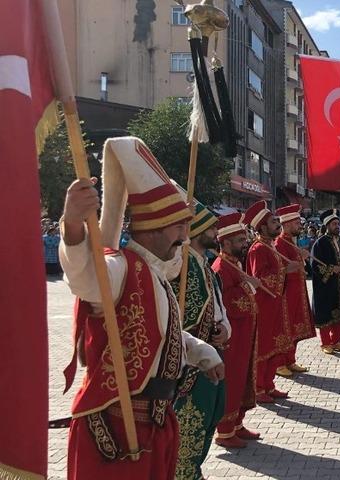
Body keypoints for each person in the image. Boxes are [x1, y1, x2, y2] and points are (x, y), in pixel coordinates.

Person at [59, 137, 223, 479]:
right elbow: (87, 279)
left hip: (155, 422)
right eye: (179, 227)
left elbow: (163, 334)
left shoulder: (155, 273)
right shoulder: (121, 267)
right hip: (119, 427)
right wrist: (73, 225)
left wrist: (202, 351)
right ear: (153, 228)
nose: (185, 237)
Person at [168, 202, 231, 479]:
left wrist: (224, 328)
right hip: (191, 364)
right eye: (211, 227)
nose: (216, 231)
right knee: (190, 420)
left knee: (208, 419)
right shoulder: (180, 264)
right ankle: (184, 473)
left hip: (212, 352)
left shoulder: (205, 263)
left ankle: (192, 470)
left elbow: (218, 305)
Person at [212, 213, 261, 449]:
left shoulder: (236, 264)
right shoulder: (221, 267)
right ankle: (224, 431)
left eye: (244, 239)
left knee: (243, 379)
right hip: (232, 338)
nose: (245, 244)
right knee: (232, 381)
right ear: (226, 242)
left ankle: (238, 423)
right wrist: (246, 289)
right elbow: (225, 302)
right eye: (240, 241)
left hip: (245, 334)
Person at [245, 200, 297, 403]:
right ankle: (258, 389)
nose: (278, 224)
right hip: (263, 306)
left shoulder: (270, 245)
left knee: (274, 346)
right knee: (264, 347)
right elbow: (260, 278)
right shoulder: (258, 249)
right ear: (262, 227)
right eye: (274, 222)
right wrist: (286, 270)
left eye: (278, 221)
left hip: (275, 304)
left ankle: (269, 385)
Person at [273, 205, 317, 378]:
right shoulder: (279, 243)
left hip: (297, 291)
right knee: (285, 327)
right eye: (297, 222)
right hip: (286, 293)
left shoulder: (291, 241)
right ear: (288, 223)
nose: (300, 225)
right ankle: (279, 363)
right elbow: (278, 269)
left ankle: (290, 359)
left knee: (295, 327)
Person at [311, 209, 340, 354]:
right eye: (334, 224)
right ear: (327, 225)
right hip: (325, 285)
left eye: (338, 223)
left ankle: (336, 341)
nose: (337, 226)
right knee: (326, 312)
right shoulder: (320, 243)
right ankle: (325, 343)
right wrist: (330, 269)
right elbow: (315, 265)